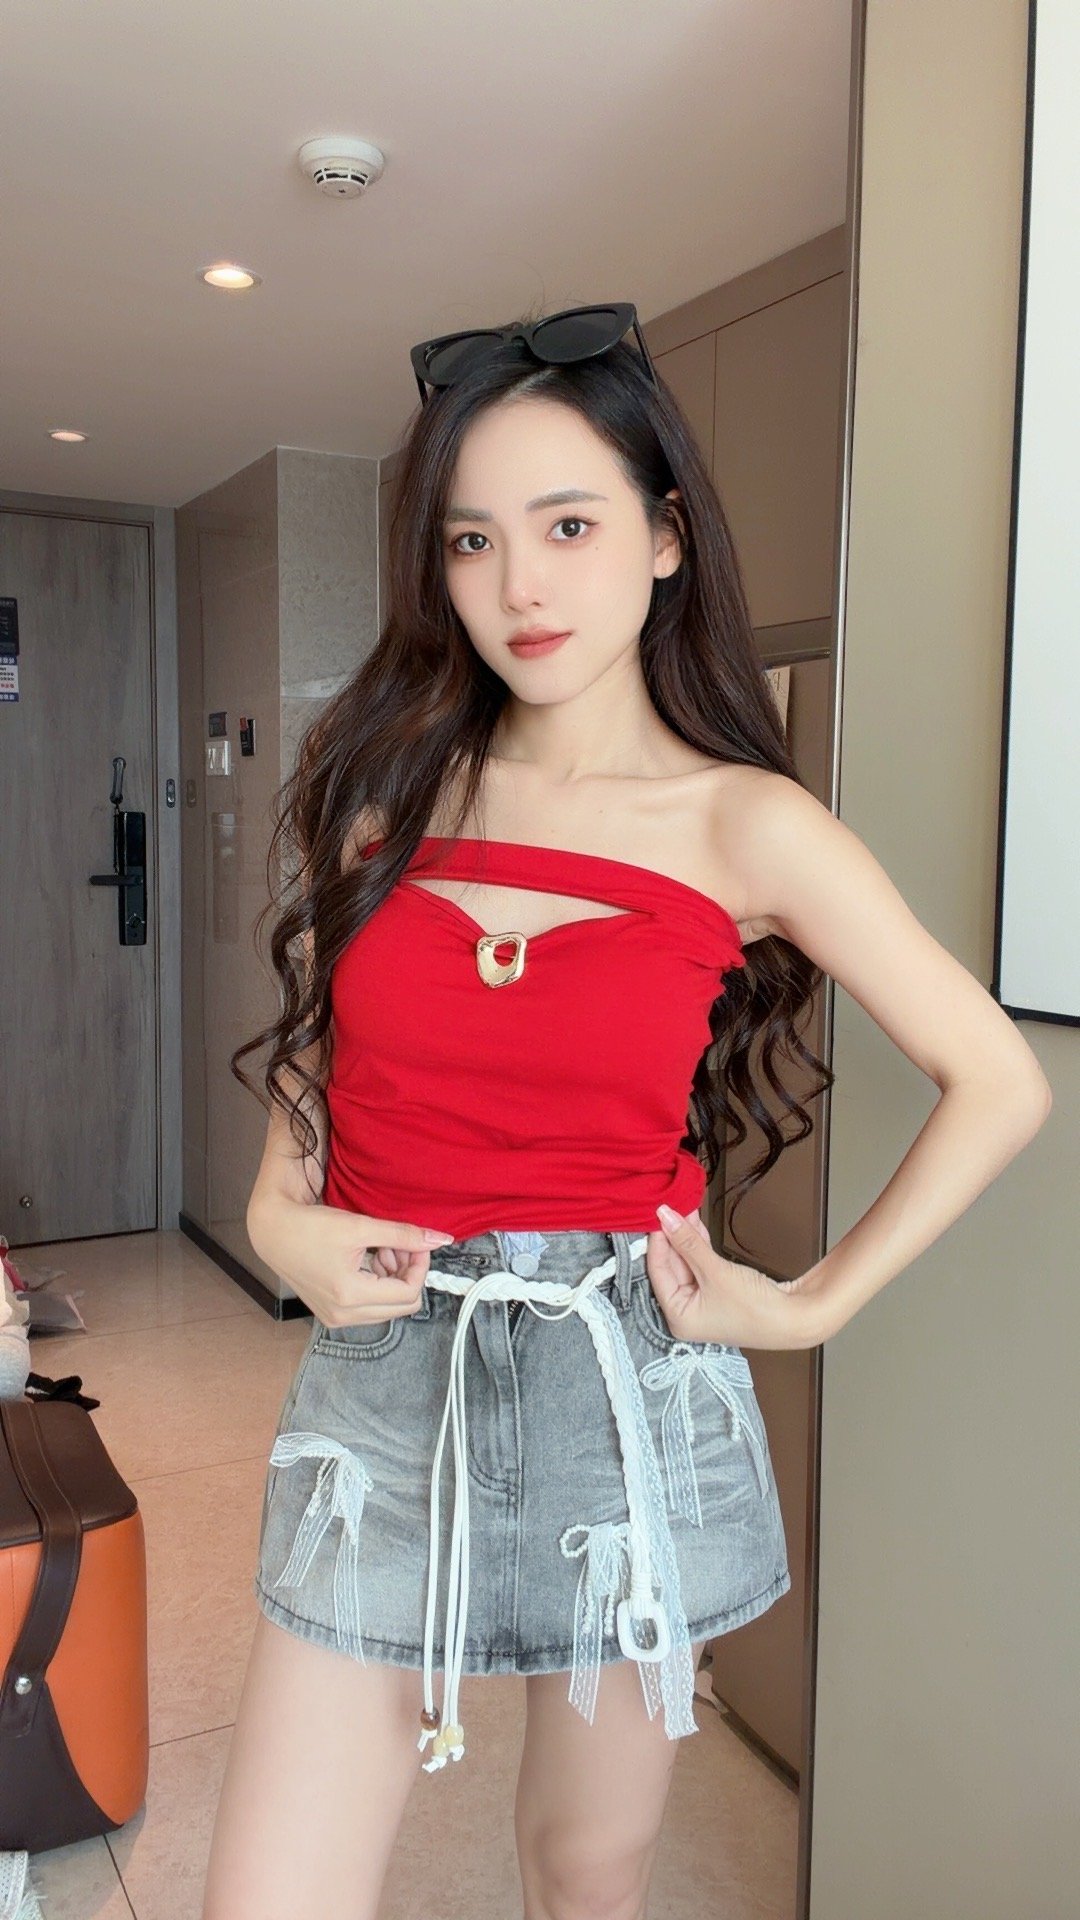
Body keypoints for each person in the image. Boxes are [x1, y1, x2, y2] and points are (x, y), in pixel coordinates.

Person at [201, 304, 1052, 1920]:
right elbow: (323, 1041)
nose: (520, 587)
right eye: (473, 540)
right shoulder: (385, 791)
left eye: (569, 527)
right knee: (266, 1898)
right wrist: (272, 1213)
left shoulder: (748, 823)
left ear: (665, 538)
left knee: (582, 1871)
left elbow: (1000, 1079)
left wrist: (808, 1307)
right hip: (385, 1383)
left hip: (623, 1384)